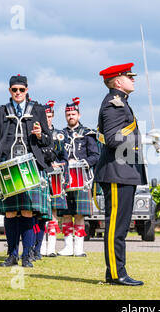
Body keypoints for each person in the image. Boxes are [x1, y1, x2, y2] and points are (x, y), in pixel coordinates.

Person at [0, 74, 52, 267]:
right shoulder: (0, 112)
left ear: (27, 90)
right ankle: (12, 255)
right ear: (9, 91)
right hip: (7, 166)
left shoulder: (38, 110)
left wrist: (41, 136)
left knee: (27, 212)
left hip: (30, 167)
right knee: (9, 213)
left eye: (21, 90)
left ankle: (27, 256)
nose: (17, 93)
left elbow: (49, 142)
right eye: (14, 90)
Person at [94, 63, 147, 286]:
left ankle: (115, 271)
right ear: (117, 81)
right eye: (129, 76)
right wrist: (142, 140)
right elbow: (114, 139)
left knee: (121, 226)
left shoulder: (122, 103)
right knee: (116, 226)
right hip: (116, 171)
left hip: (123, 171)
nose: (133, 79)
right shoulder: (114, 105)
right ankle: (116, 273)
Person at [57, 97, 99, 257]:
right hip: (65, 179)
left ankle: (79, 248)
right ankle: (68, 246)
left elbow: (95, 156)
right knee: (66, 214)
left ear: (79, 115)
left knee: (79, 215)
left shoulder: (88, 134)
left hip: (83, 179)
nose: (71, 117)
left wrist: (82, 162)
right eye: (68, 114)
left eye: (73, 114)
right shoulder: (60, 135)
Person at [36, 100, 69, 258]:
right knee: (40, 213)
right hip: (41, 176)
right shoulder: (36, 135)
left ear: (53, 117)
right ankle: (40, 246)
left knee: (53, 213)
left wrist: (62, 169)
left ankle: (51, 247)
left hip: (55, 178)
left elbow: (65, 157)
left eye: (49, 116)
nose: (47, 119)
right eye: (45, 116)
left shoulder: (59, 135)